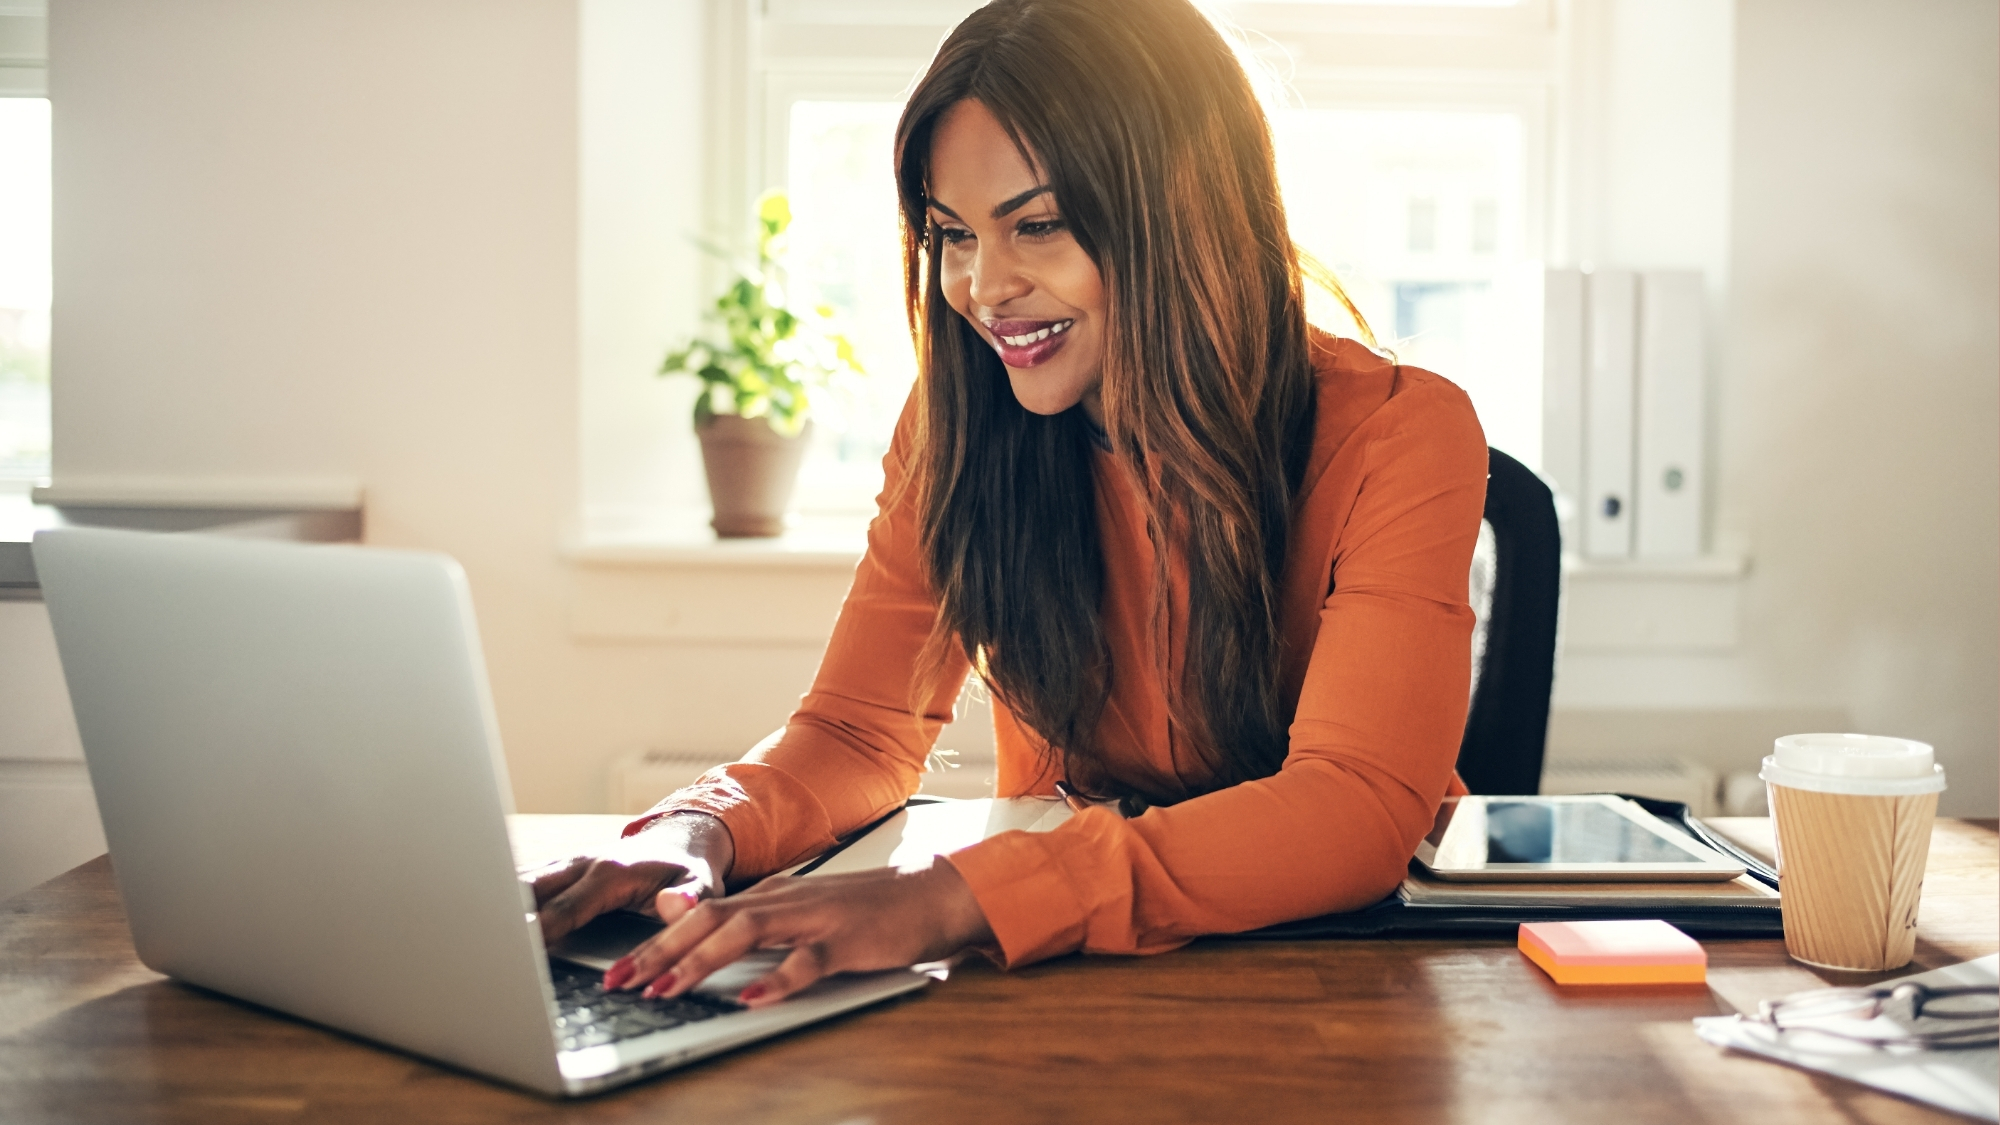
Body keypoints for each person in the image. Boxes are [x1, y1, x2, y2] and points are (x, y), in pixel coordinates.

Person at [526, 0, 1487, 1008]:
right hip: (1058, 975)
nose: (983, 287)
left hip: (1335, 975)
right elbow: (859, 731)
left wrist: (953, 898)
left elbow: (1352, 807)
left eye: (1036, 225)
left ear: (1185, 209)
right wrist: (699, 829)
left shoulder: (1402, 431)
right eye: (953, 234)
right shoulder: (956, 424)